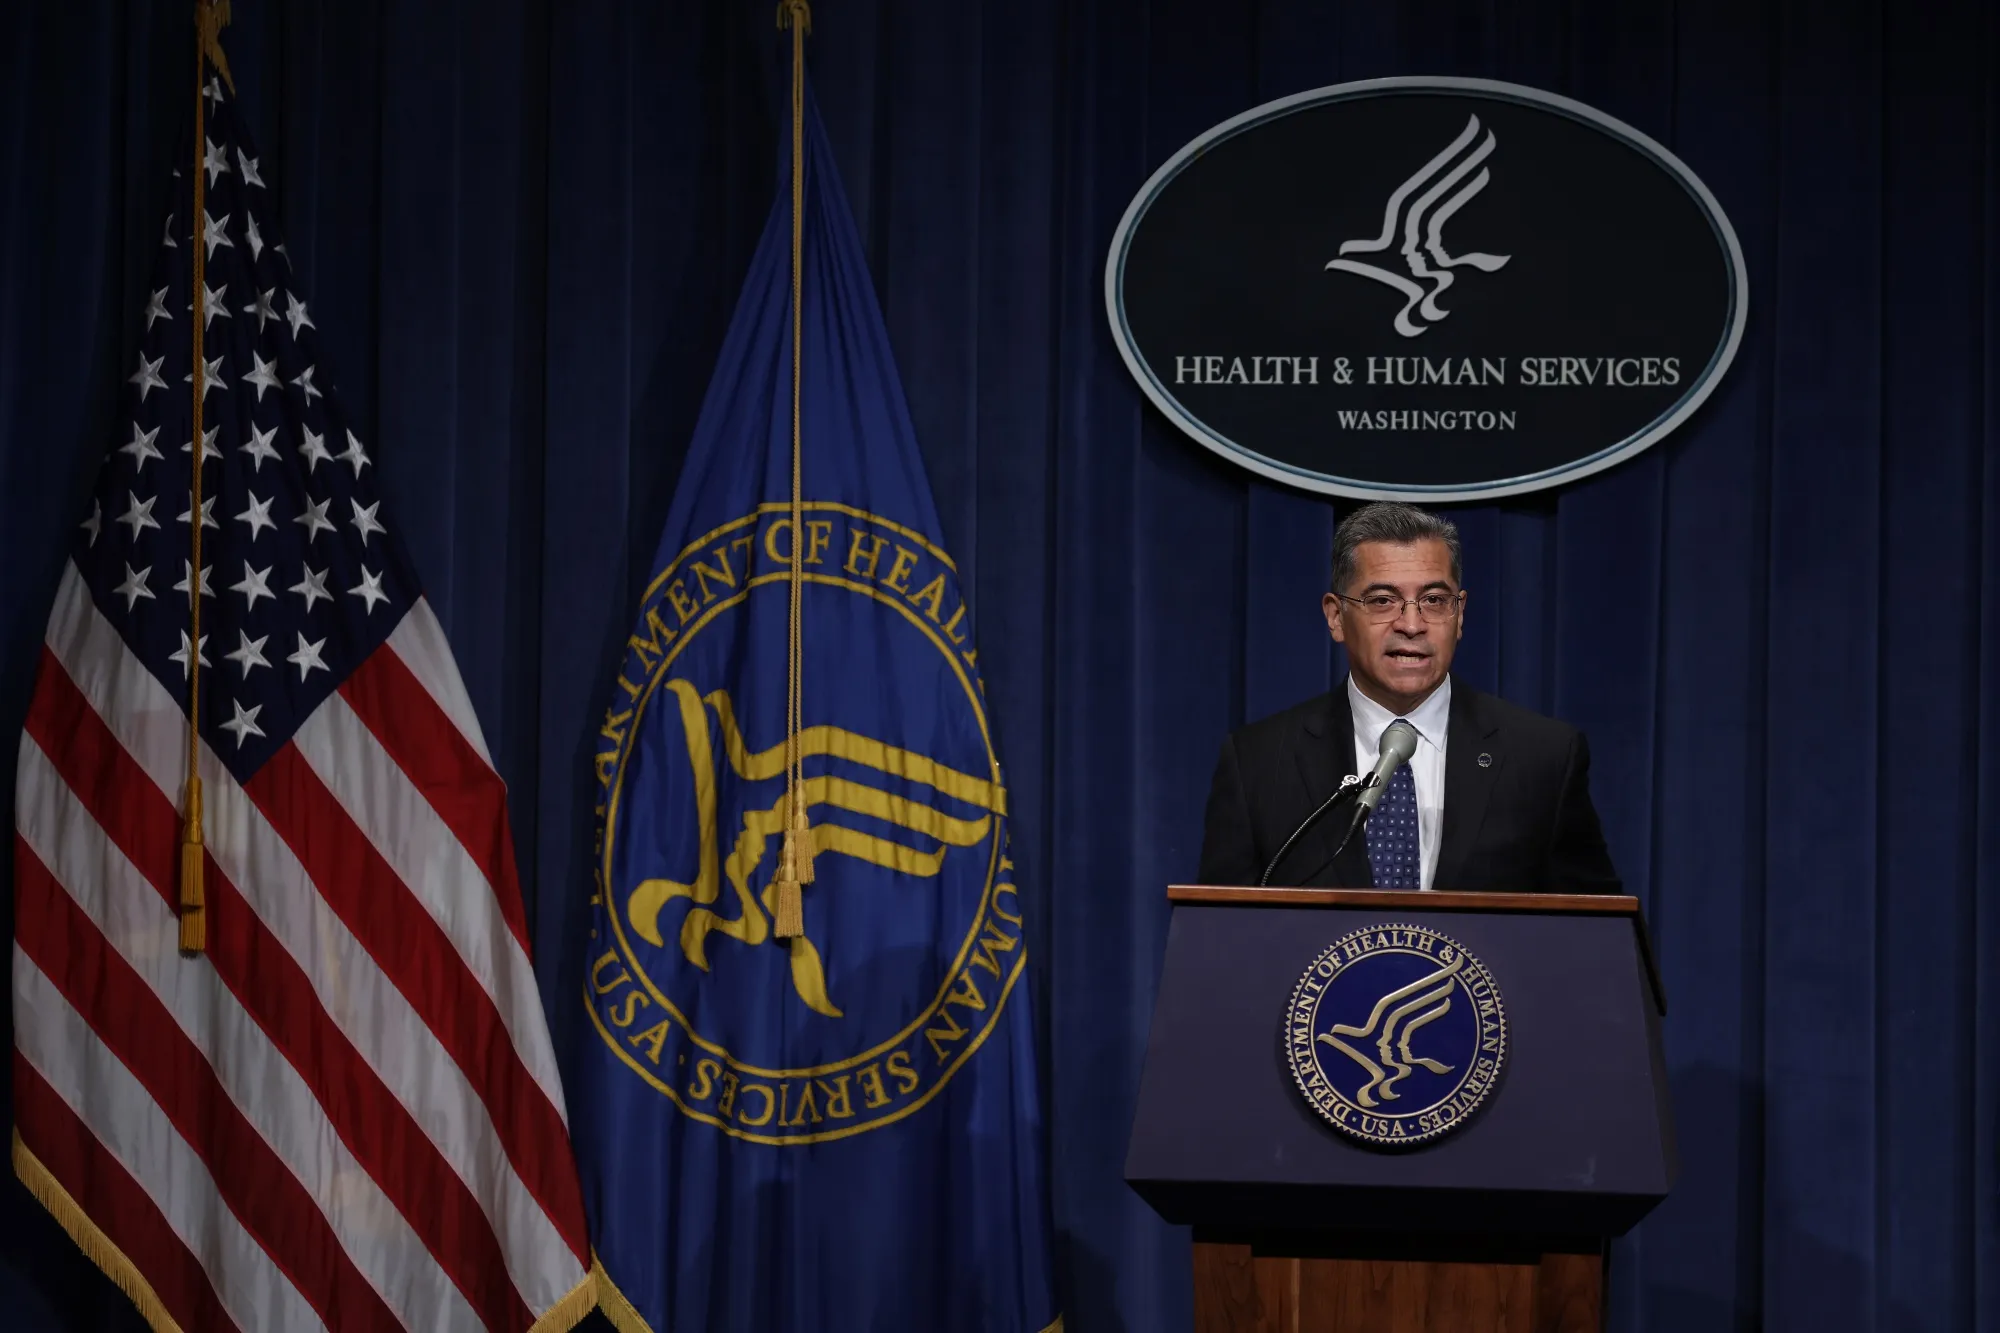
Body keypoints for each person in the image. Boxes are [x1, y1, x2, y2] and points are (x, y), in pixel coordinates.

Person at [1197, 502, 1620, 894]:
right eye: (1383, 600)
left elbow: (1596, 939)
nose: (1412, 624)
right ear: (1335, 616)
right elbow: (1219, 943)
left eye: (1434, 600)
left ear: (1460, 615)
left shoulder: (1543, 758)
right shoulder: (1258, 763)